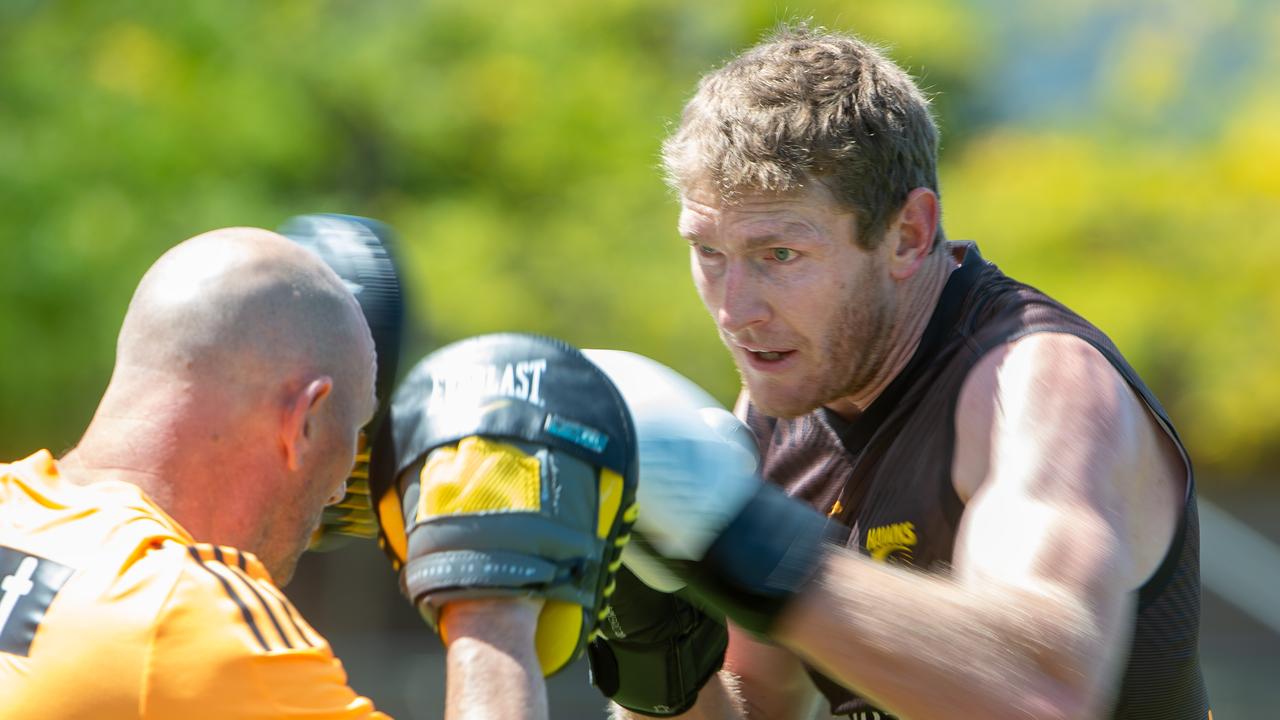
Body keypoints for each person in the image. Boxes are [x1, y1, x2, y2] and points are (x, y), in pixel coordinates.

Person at [596, 25, 1209, 720]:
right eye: (708, 251)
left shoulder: (1037, 388)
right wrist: (656, 657)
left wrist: (732, 540)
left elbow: (1043, 695)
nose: (735, 311)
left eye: (780, 255)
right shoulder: (782, 399)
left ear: (908, 235)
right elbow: (756, 703)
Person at [0, 227, 546, 720]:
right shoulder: (186, 612)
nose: (338, 491)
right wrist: (491, 610)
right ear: (304, 420)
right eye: (351, 436)